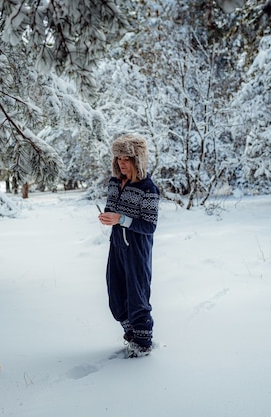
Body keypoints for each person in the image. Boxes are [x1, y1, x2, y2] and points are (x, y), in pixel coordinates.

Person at [98, 133, 160, 358]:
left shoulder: (148, 188)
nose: (121, 163)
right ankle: (131, 334)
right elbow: (111, 209)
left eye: (126, 158)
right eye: (118, 158)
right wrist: (108, 218)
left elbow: (149, 226)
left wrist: (121, 219)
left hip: (137, 249)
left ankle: (143, 344)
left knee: (137, 296)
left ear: (138, 159)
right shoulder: (115, 183)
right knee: (116, 295)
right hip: (117, 246)